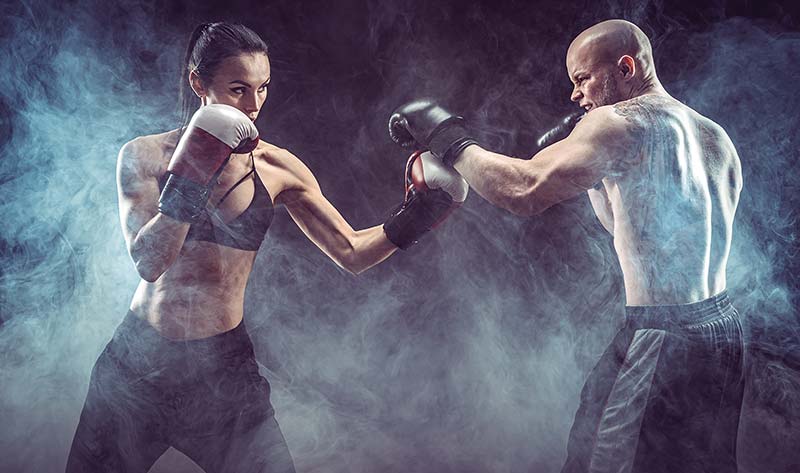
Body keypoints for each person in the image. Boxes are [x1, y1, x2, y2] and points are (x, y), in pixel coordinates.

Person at [65, 21, 467, 473]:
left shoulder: (278, 167)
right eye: (238, 89)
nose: (254, 105)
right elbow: (150, 261)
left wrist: (415, 217)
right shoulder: (144, 156)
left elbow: (351, 252)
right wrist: (194, 171)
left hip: (223, 375)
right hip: (138, 368)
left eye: (263, 88)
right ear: (199, 82)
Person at [389, 19, 745, 473]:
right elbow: (639, 230)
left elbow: (524, 190)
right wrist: (597, 178)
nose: (576, 95)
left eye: (582, 79)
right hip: (724, 333)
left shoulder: (619, 123)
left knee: (597, 460)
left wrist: (447, 136)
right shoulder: (715, 137)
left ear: (626, 68)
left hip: (661, 335)